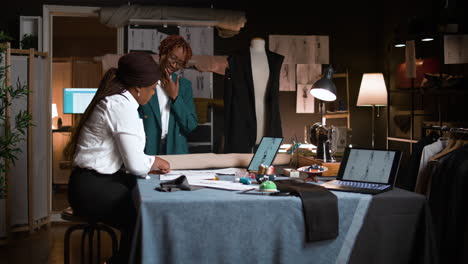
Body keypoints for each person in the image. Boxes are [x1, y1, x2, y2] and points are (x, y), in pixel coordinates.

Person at [64, 52, 170, 264]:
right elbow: (136, 164)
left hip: (93, 182)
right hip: (91, 188)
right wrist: (154, 161)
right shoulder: (120, 105)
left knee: (143, 207)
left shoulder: (120, 101)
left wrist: (147, 163)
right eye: (152, 88)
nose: (153, 93)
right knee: (143, 219)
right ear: (138, 87)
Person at [139, 35, 198, 155]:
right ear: (163, 53)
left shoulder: (184, 85)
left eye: (180, 63)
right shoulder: (144, 81)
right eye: (172, 58)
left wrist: (175, 98)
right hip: (147, 149)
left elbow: (190, 125)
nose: (174, 65)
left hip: (176, 150)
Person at [224, 37, 284, 153]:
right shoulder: (237, 59)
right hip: (242, 121)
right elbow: (228, 97)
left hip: (269, 120)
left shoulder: (275, 60)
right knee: (240, 167)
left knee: (266, 166)